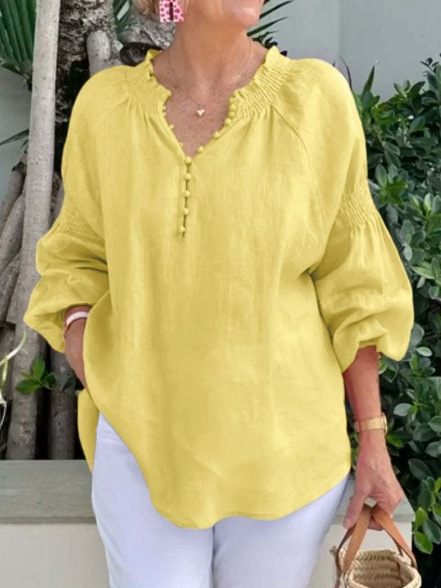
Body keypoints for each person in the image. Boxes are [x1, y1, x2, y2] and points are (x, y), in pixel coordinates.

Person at [23, 0, 414, 586]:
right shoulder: (105, 107)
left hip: (286, 454)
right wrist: (87, 346)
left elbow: (354, 284)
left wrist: (374, 441)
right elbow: (76, 254)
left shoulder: (314, 100)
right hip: (143, 443)